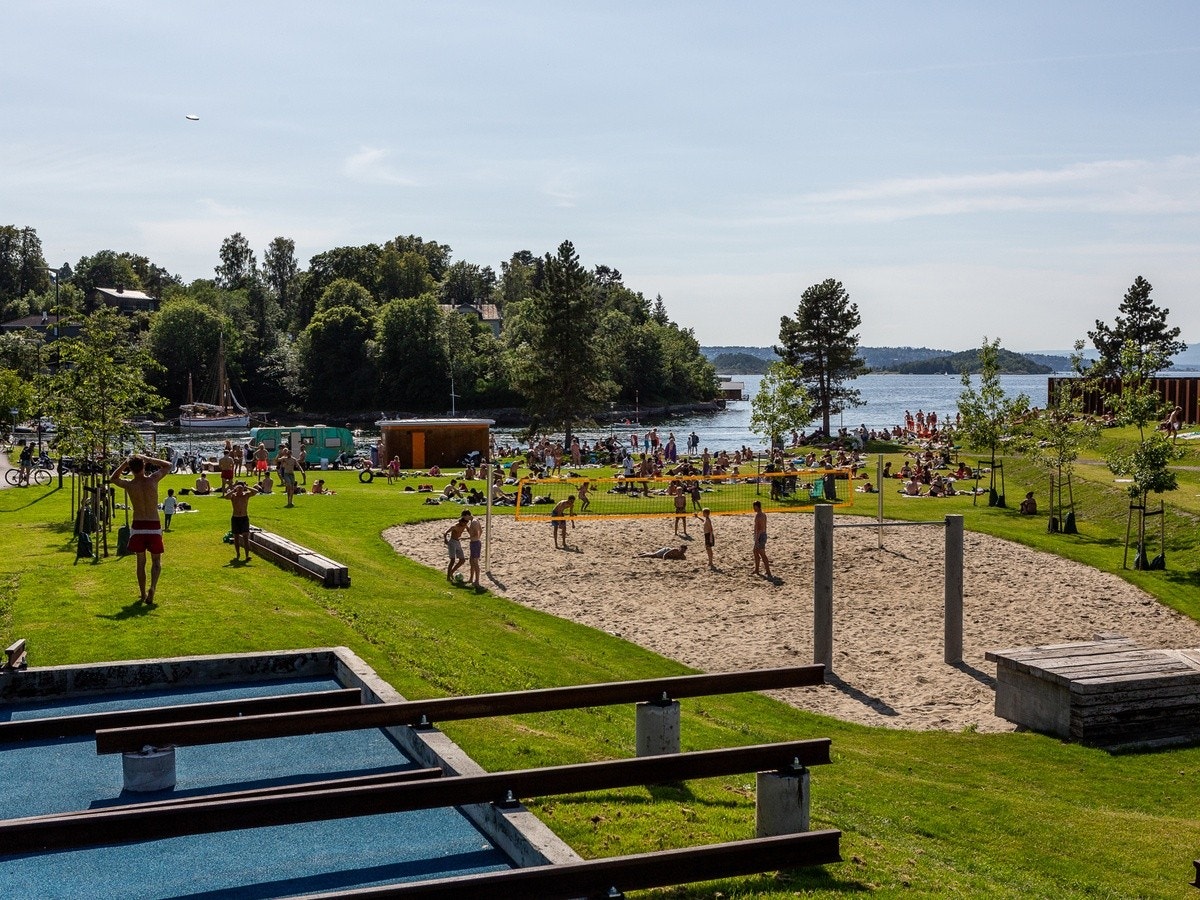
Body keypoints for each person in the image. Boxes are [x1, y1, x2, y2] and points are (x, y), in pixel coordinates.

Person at [109, 453, 172, 604]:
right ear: (144, 467)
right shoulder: (153, 480)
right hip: (153, 524)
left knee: (140, 562)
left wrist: (125, 463)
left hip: (138, 526)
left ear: (131, 470)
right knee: (156, 561)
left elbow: (113, 478)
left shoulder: (130, 484)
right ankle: (153, 588)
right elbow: (168, 465)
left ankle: (143, 593)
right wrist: (149, 459)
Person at [222, 480, 262, 562]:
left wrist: (246, 487)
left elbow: (256, 491)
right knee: (236, 537)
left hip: (244, 518)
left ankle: (247, 555)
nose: (239, 490)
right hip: (235, 518)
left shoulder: (246, 495)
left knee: (245, 537)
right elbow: (226, 497)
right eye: (238, 488)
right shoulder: (233, 495)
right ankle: (238, 554)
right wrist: (233, 489)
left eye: (241, 488)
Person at [444, 510, 470, 581]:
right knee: (452, 560)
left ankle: (452, 572)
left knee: (462, 560)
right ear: (460, 521)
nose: (464, 525)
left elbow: (469, 530)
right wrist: (445, 539)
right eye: (463, 523)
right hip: (452, 542)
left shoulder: (465, 525)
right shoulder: (455, 526)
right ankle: (448, 577)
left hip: (458, 542)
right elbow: (446, 532)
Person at [752, 499, 772, 579]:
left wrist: (756, 539)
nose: (753, 508)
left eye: (754, 507)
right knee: (755, 552)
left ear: (757, 507)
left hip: (760, 536)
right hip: (762, 535)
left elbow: (759, 529)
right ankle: (756, 570)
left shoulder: (758, 516)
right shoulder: (763, 514)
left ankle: (768, 571)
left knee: (762, 554)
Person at [466, 510, 483, 588]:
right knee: (471, 562)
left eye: (464, 517)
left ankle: (477, 581)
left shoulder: (474, 522)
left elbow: (476, 534)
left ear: (467, 515)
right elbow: (481, 531)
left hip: (475, 544)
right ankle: (471, 579)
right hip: (474, 543)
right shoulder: (474, 520)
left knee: (475, 563)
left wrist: (465, 538)